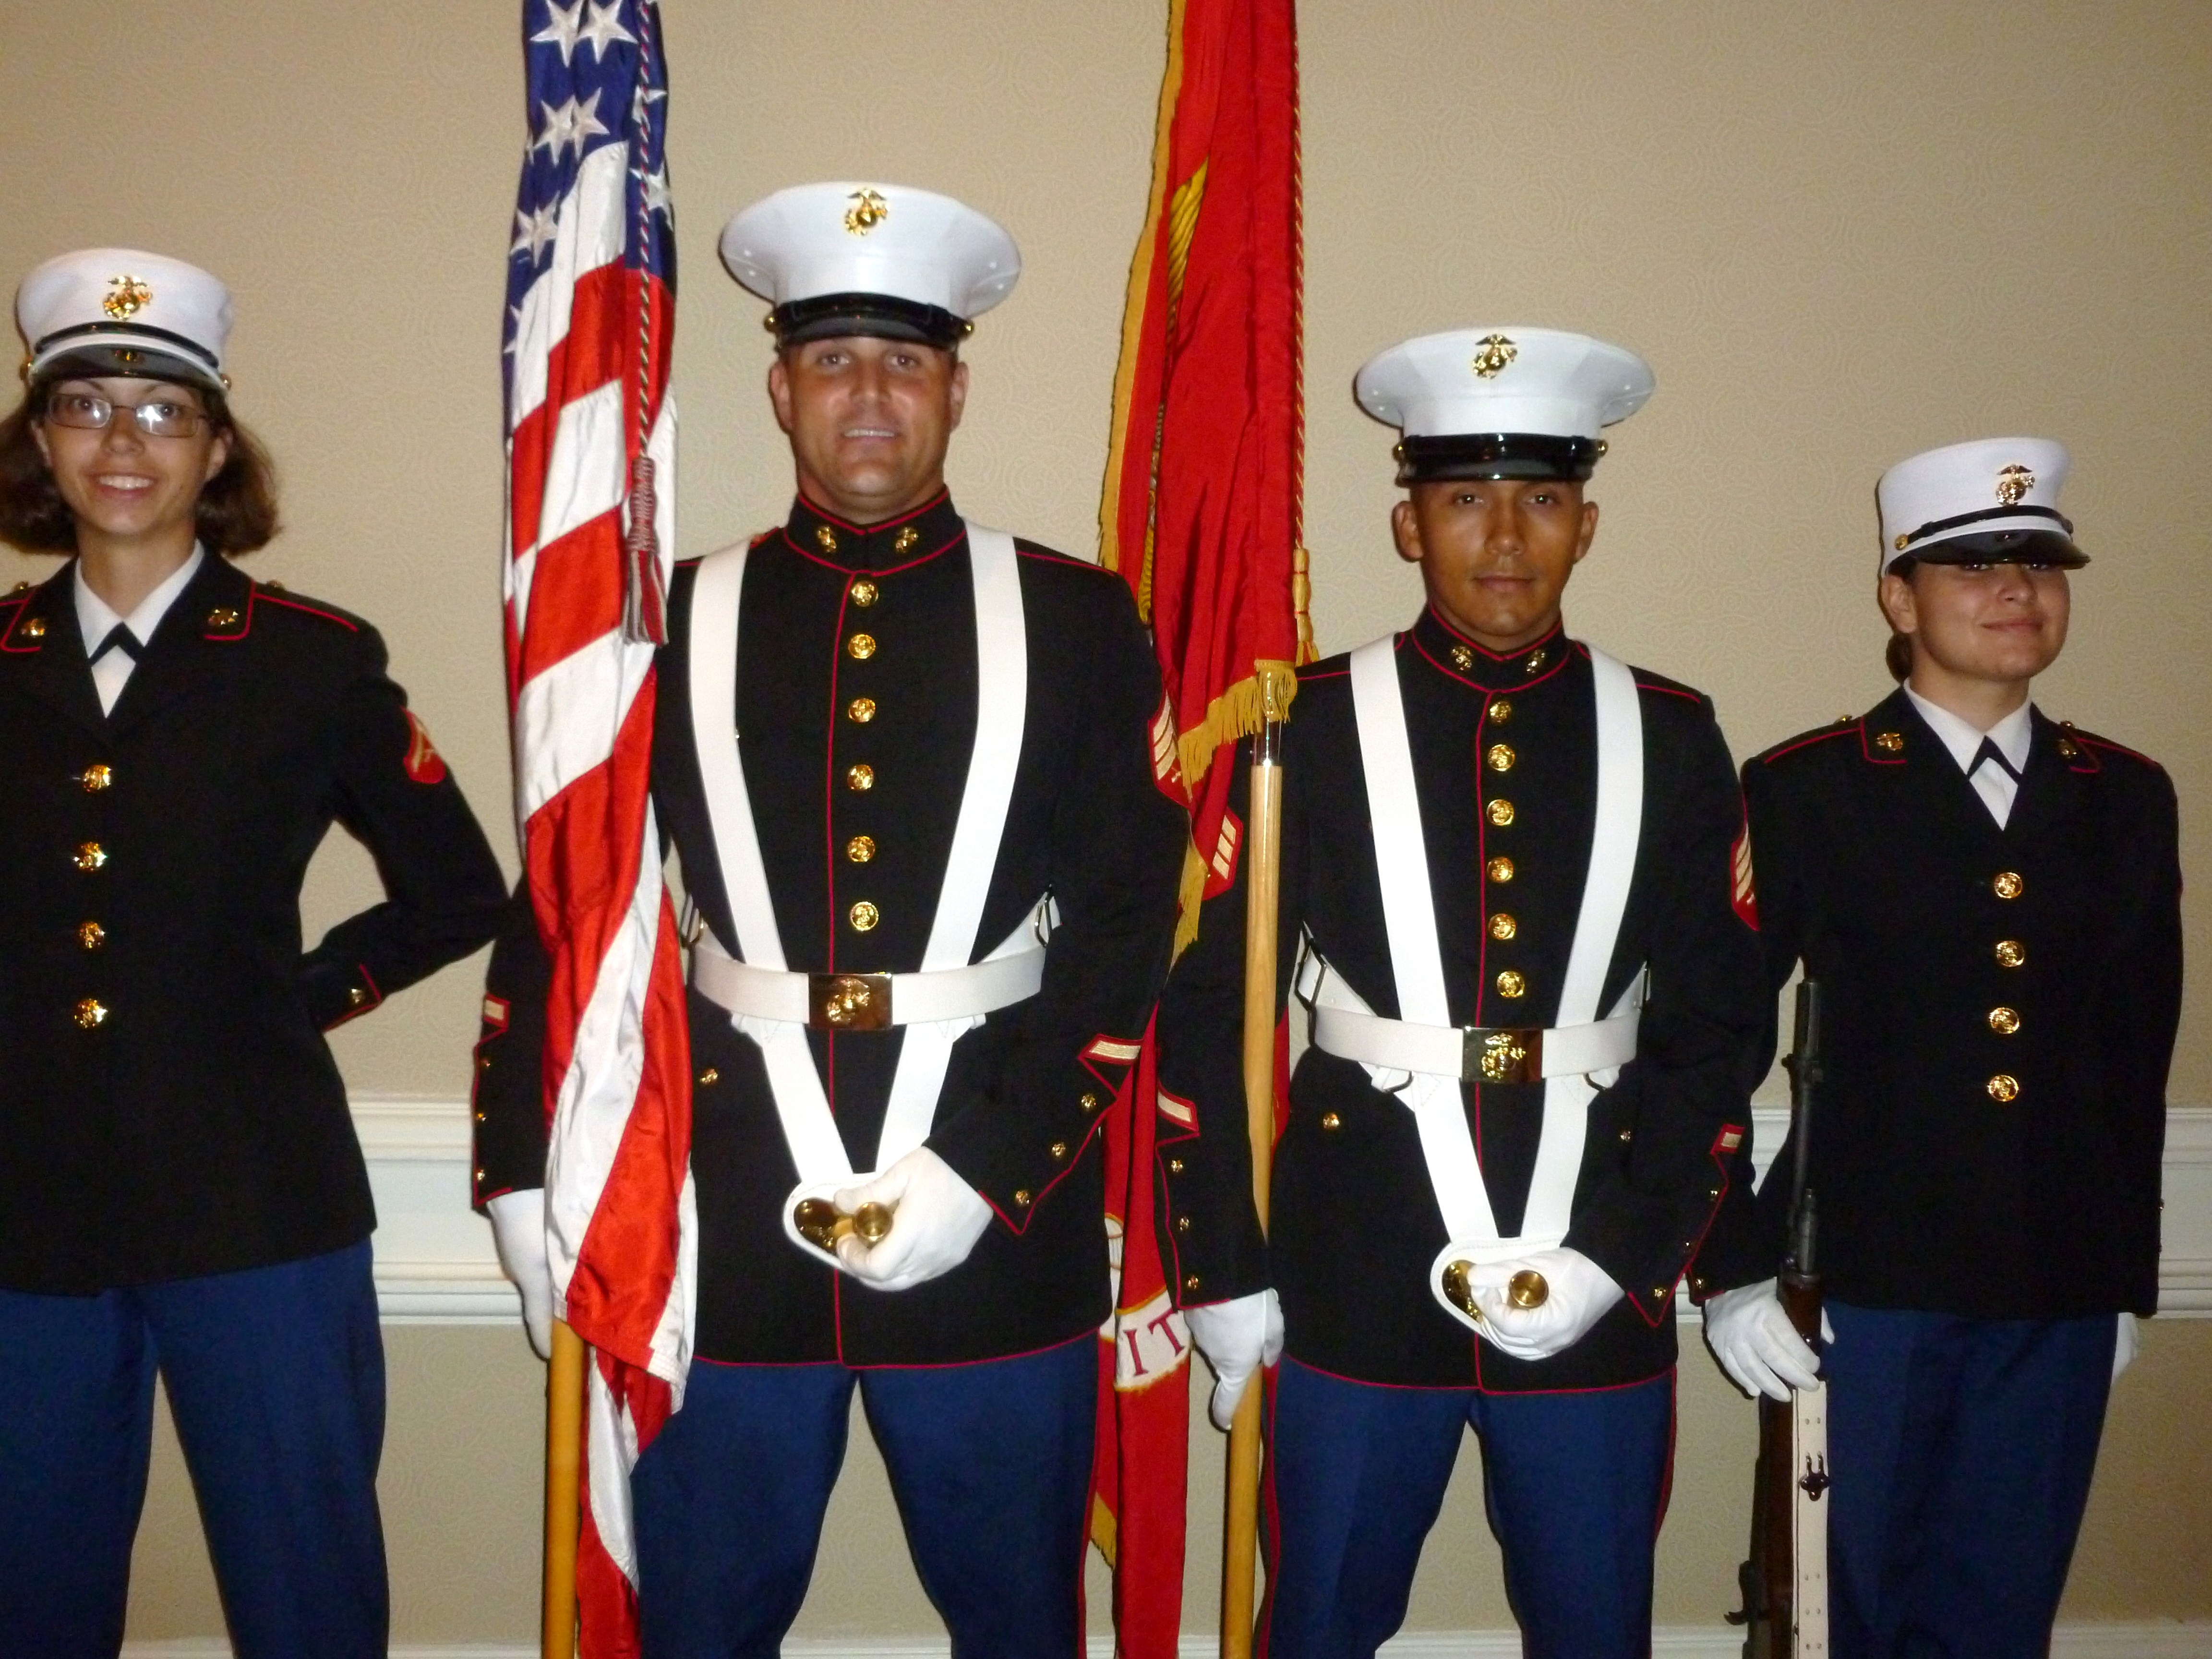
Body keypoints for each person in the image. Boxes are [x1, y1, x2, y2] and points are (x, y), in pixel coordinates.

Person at [473, 182, 1264, 1657]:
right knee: (701, 1624)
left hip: (993, 1224)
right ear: (779, 389)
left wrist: (986, 1174)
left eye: (905, 361)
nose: (870, 395)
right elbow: (568, 903)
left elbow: (1127, 916)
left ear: (957, 389)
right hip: (724, 1236)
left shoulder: (1081, 620)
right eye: (833, 361)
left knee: (1020, 1623)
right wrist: (523, 1170)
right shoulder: (666, 625)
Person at [1156, 327, 1767, 1658]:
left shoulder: (1669, 730)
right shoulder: (1301, 725)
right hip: (1353, 1259)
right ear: (1407, 523)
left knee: (1597, 1626)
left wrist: (1632, 1254)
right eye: (1464, 499)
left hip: (1595, 1248)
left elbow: (1716, 1026)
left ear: (1588, 524)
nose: (1504, 536)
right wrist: (1220, 1264)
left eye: (1542, 499)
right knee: (1318, 1622)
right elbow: (1209, 1010)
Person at [0, 248, 508, 1656]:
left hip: (255, 1202)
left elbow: (459, 893)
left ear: (218, 446)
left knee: (307, 1593)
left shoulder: (308, 658)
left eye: (162, 412)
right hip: (24, 1207)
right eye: (86, 404)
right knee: (28, 1593)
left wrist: (282, 1006)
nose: (122, 442)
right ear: (41, 438)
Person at [1697, 437, 2181, 1655]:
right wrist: (1738, 1262)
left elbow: (2138, 1043)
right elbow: (1715, 1031)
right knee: (1849, 1607)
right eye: (1973, 565)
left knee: (2003, 1614)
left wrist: (2122, 1273)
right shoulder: (1808, 786)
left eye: (2039, 563)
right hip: (1869, 1280)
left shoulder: (2124, 793)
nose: (2016, 589)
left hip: (2056, 1279)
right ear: (1898, 598)